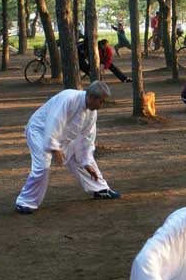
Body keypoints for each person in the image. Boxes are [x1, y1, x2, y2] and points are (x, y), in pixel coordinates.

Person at [15, 81, 121, 214]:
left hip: (64, 134)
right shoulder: (68, 98)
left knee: (80, 157)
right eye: (102, 101)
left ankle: (99, 189)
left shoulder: (92, 112)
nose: (102, 105)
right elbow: (53, 121)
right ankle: (25, 202)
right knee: (42, 165)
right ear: (92, 98)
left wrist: (86, 162)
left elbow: (87, 139)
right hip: (40, 131)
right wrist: (54, 147)